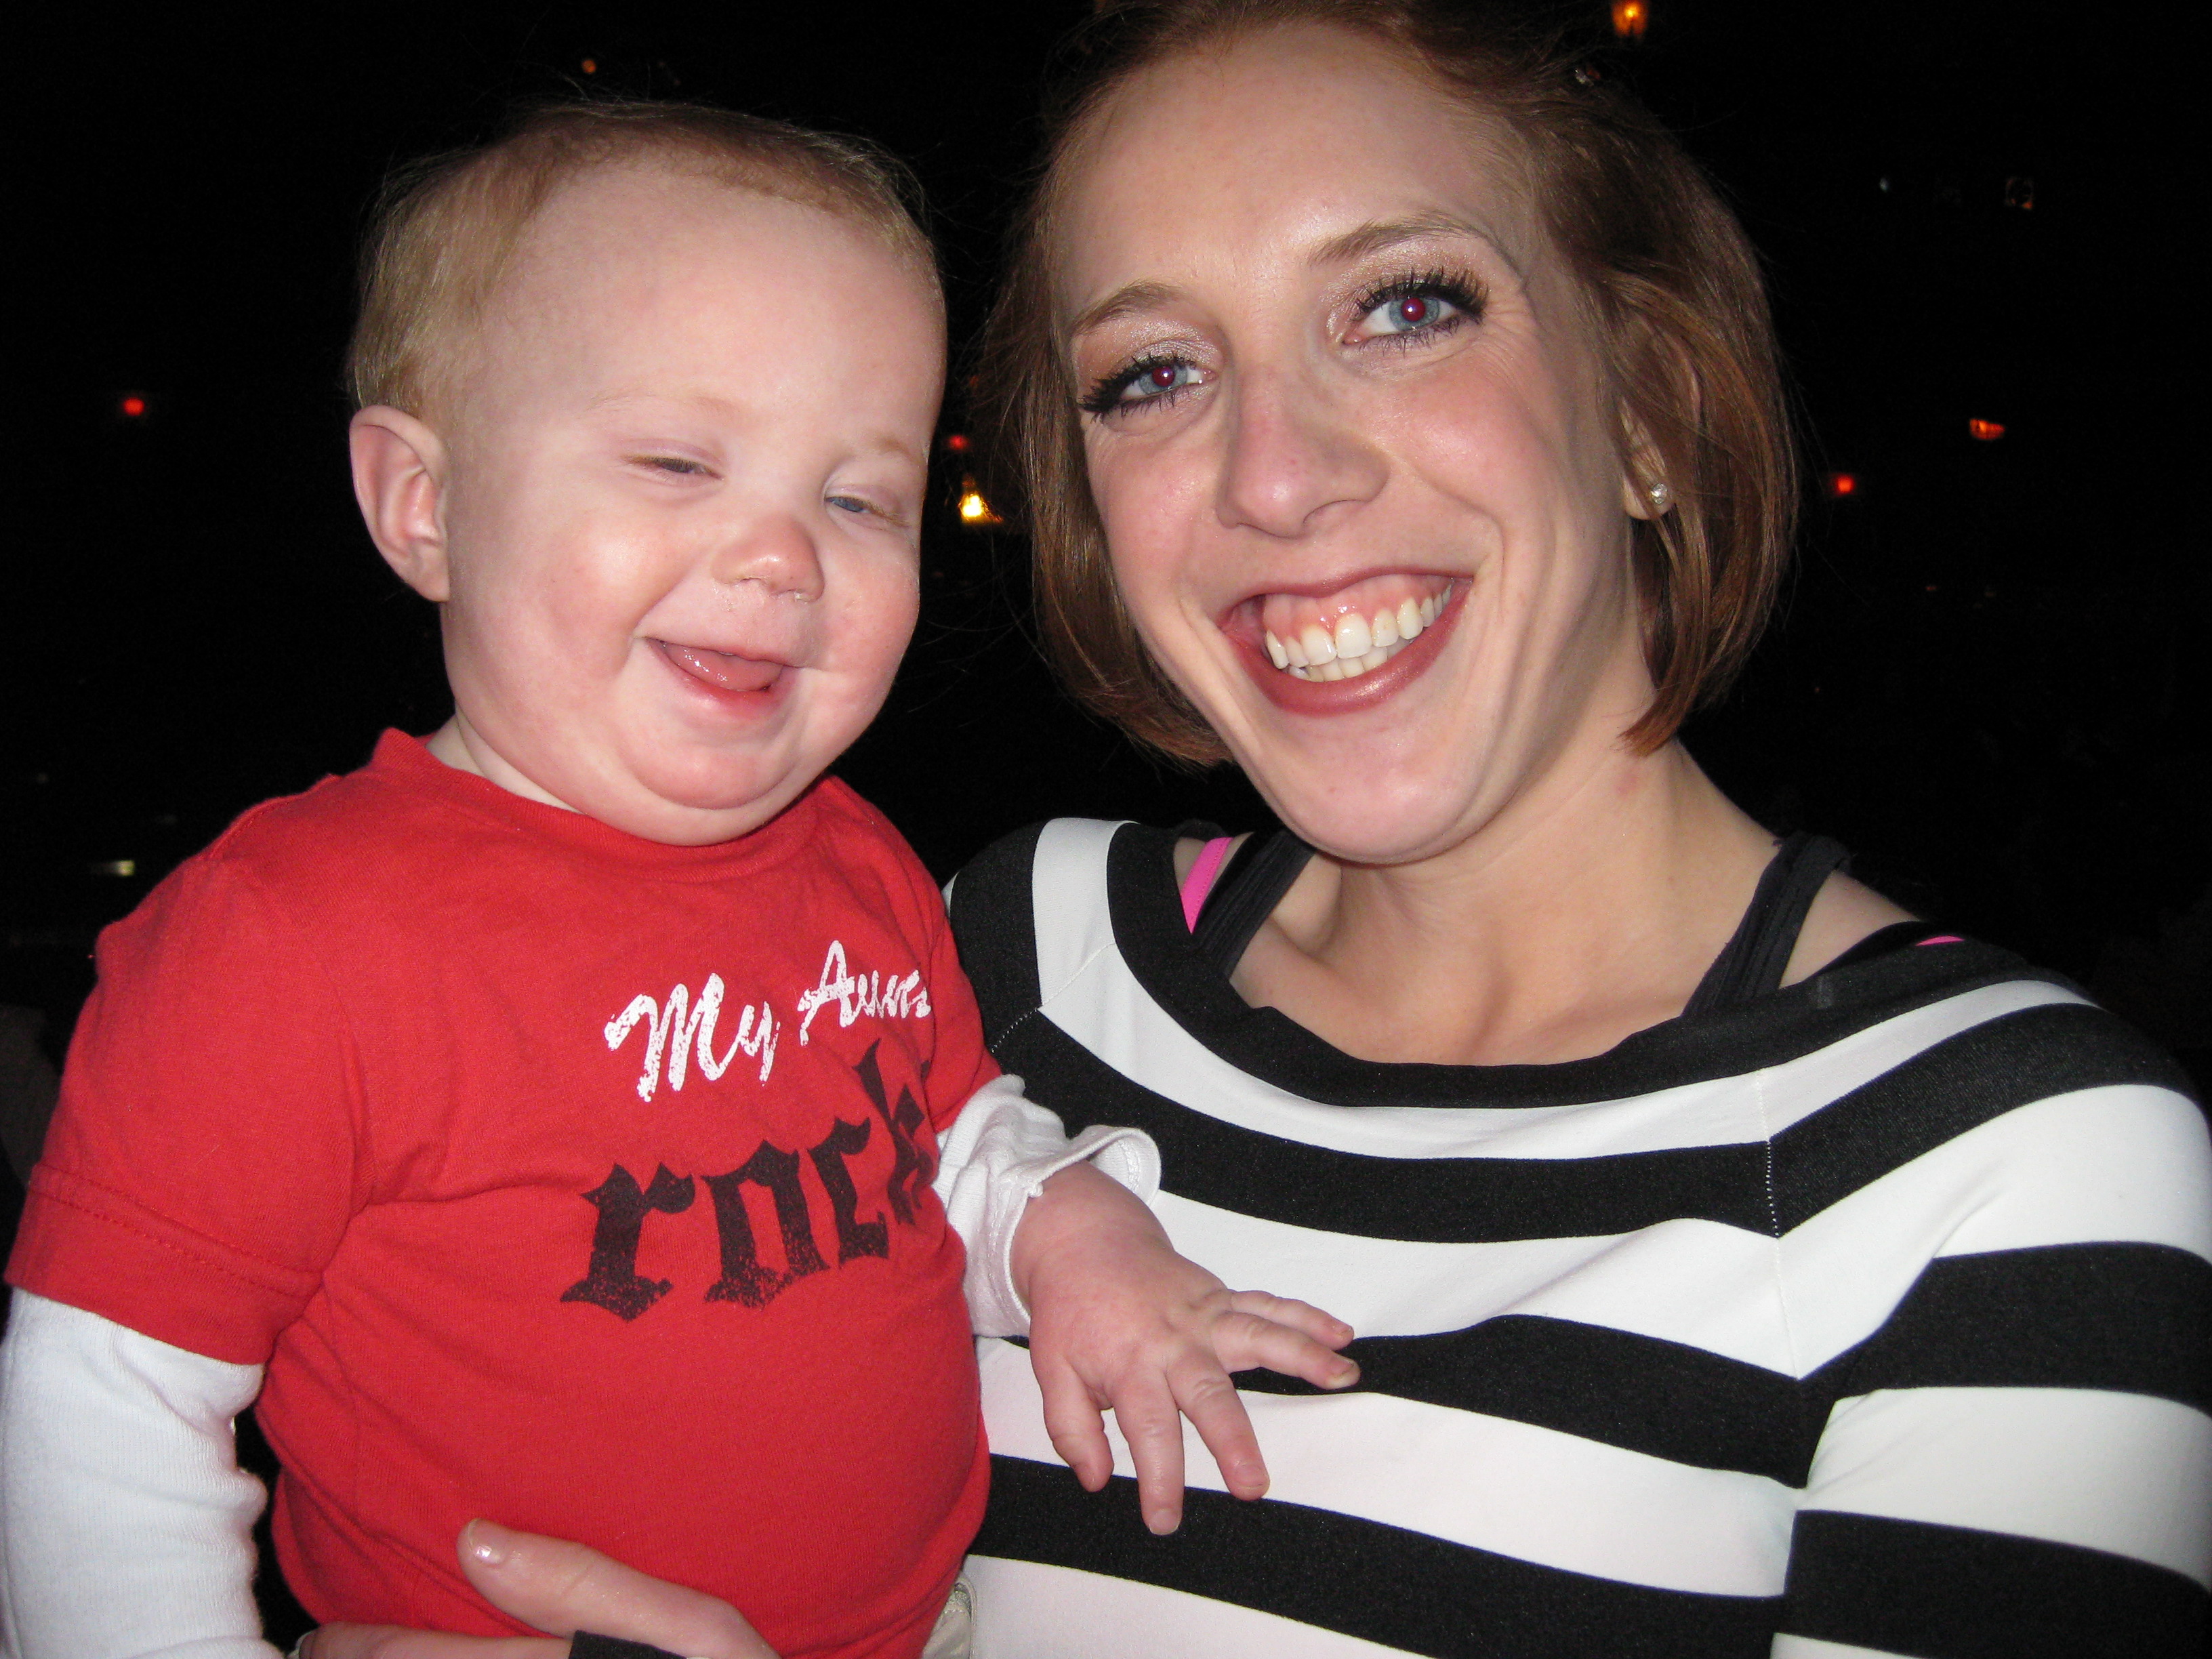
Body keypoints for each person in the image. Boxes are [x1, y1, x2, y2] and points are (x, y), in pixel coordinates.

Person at [287, 3, 2212, 1656]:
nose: (1274, 479)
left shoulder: (2003, 1165)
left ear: (1641, 399)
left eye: (1405, 307)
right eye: (1157, 376)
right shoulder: (988, 957)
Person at [0, 100, 1359, 1659]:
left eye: (858, 498)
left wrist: (1068, 1234)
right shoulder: (286, 941)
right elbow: (106, 1407)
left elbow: (939, 1142)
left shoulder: (858, 863)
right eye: (674, 460)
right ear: (425, 505)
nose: (783, 556)